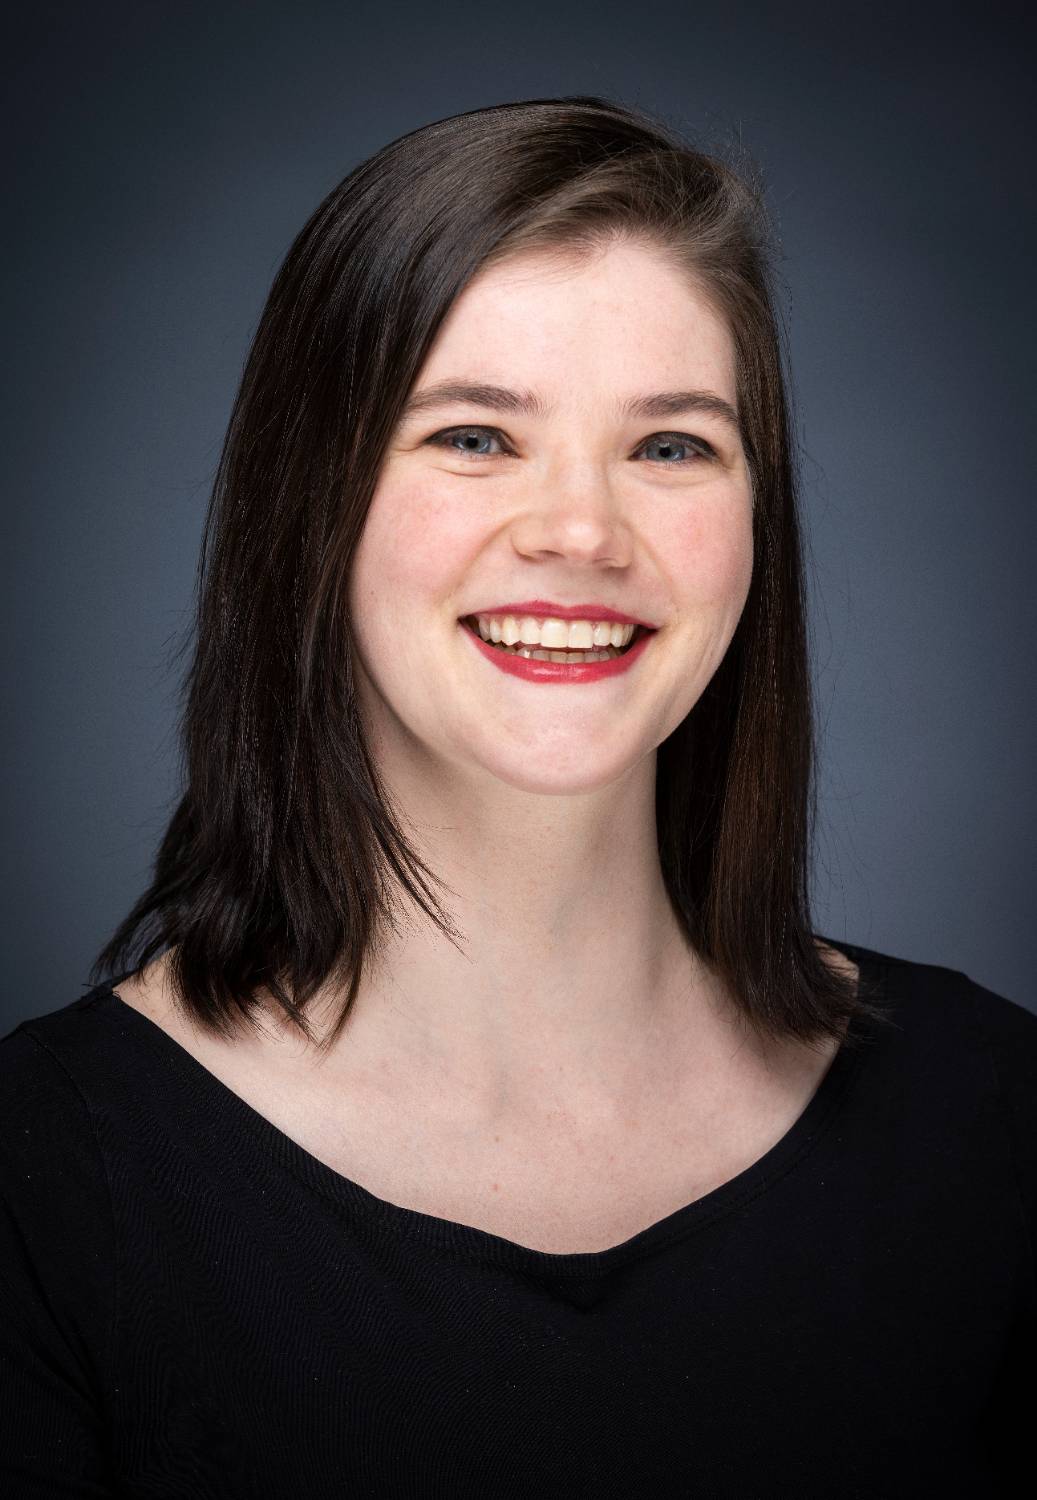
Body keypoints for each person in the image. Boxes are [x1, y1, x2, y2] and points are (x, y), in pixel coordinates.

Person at [1, 95, 1032, 1498]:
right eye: (474, 436)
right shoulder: (43, 1185)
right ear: (308, 501)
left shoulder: (994, 1122)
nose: (580, 532)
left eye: (670, 446)